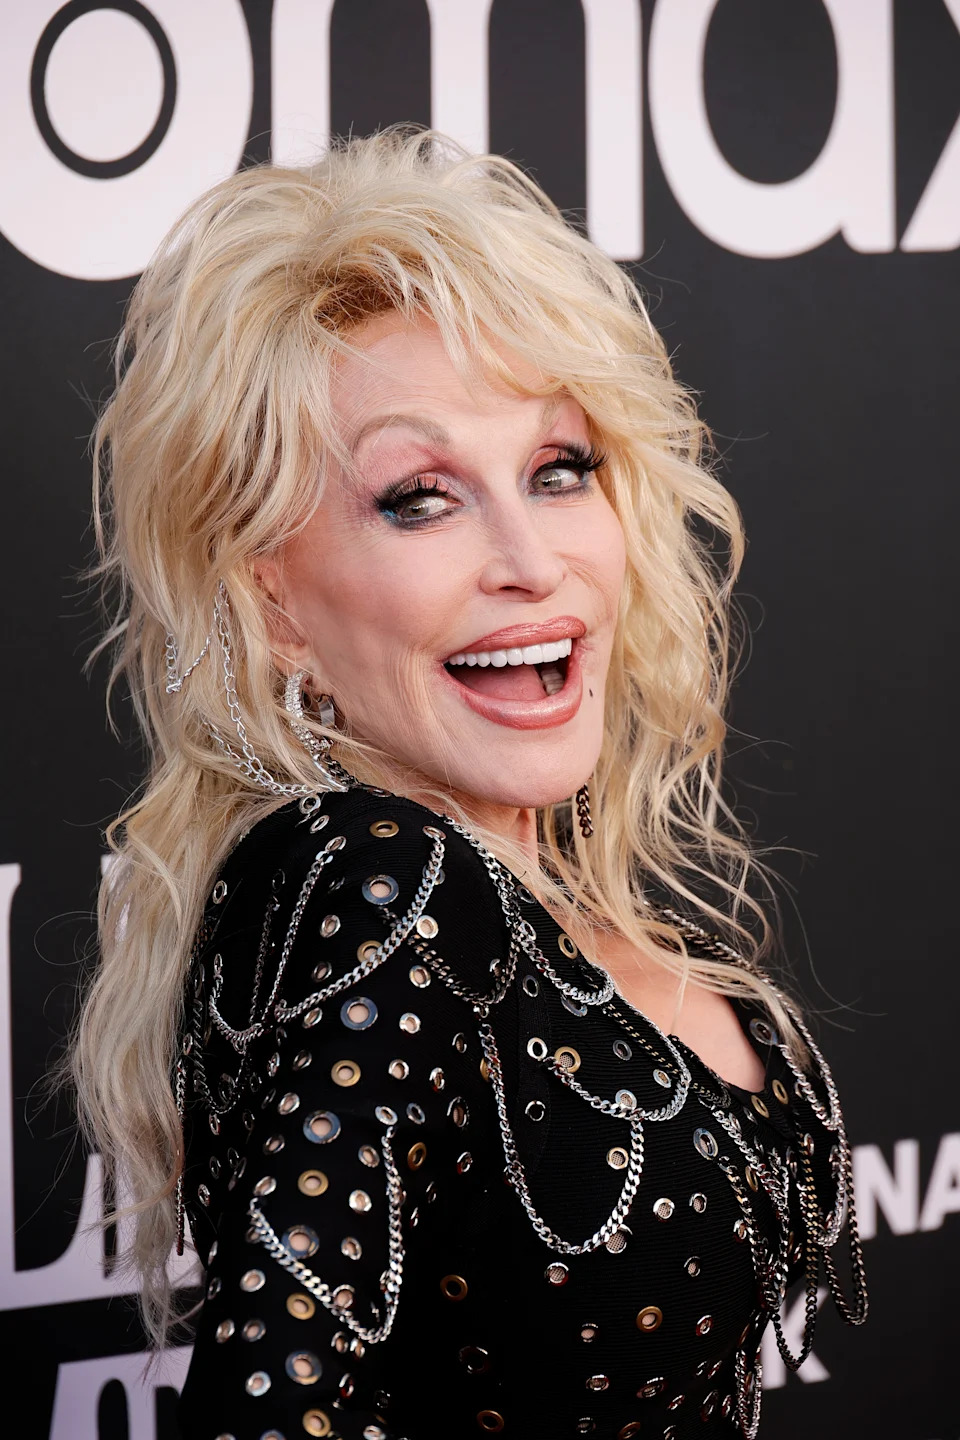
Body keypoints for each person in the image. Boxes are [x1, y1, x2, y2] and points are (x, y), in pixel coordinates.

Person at [70, 124, 867, 1440]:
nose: (528, 560)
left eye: (560, 471)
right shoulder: (376, 884)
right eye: (421, 497)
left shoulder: (546, 906)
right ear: (273, 605)